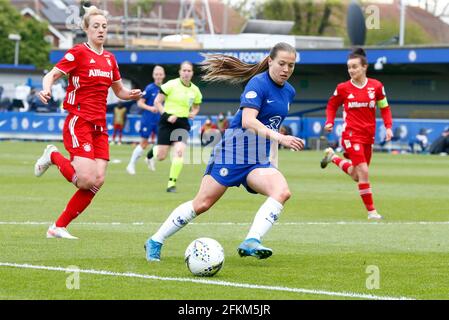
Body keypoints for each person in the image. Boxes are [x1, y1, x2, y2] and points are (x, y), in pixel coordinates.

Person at [144, 42, 304, 262]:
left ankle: (251, 240)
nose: (286, 70)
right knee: (201, 204)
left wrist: (272, 163)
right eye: (282, 64)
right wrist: (280, 137)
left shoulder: (289, 92)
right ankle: (155, 240)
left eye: (291, 66)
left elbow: (273, 127)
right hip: (232, 153)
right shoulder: (258, 83)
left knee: (282, 191)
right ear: (270, 61)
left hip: (257, 160)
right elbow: (248, 121)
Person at [34, 6, 142, 239]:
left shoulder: (110, 59)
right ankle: (53, 155)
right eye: (96, 26)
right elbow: (51, 75)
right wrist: (46, 89)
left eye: (104, 26)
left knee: (98, 180)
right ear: (86, 29)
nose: (101, 30)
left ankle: (58, 227)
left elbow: (119, 91)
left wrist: (130, 94)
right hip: (79, 120)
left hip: (100, 126)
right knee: (85, 180)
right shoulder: (78, 53)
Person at [320, 48, 393, 220]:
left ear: (364, 67)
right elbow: (331, 105)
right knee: (364, 171)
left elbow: (384, 108)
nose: (351, 70)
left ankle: (333, 157)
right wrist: (329, 121)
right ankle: (372, 212)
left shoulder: (376, 87)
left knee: (356, 175)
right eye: (349, 67)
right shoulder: (343, 88)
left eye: (354, 67)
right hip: (351, 135)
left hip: (369, 136)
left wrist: (388, 127)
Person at [145, 61, 202, 193]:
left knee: (179, 151)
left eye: (189, 71)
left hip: (182, 123)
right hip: (167, 121)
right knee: (161, 156)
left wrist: (193, 113)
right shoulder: (170, 85)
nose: (186, 73)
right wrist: (166, 114)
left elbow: (196, 106)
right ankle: (151, 154)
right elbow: (157, 102)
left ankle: (171, 184)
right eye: (184, 70)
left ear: (192, 73)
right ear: (180, 72)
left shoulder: (195, 90)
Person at [126, 65, 165, 174]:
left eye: (160, 74)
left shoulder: (166, 88)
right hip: (148, 119)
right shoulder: (149, 88)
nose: (158, 76)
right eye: (156, 74)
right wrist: (151, 108)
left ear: (163, 75)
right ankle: (131, 164)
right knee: (144, 143)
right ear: (153, 75)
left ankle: (149, 157)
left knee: (163, 142)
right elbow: (140, 103)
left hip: (160, 120)